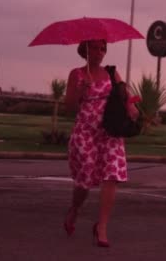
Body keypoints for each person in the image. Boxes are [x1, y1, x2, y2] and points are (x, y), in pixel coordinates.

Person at [63, 39, 139, 248]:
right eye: (95, 48)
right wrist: (81, 90)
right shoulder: (76, 74)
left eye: (103, 48)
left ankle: (102, 226)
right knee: (84, 180)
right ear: (85, 50)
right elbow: (69, 106)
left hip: (110, 132)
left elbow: (125, 96)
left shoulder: (112, 73)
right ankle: (74, 210)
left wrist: (132, 108)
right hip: (85, 132)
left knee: (112, 176)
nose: (99, 52)